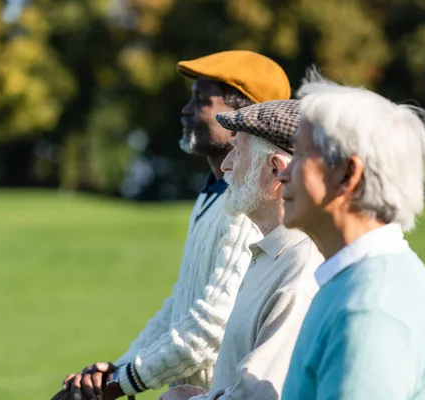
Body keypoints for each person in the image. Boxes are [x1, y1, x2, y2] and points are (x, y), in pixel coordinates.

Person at [51, 50, 292, 400]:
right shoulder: (214, 194)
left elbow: (210, 326)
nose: (186, 110)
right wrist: (118, 370)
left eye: (201, 101)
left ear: (244, 118)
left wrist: (117, 384)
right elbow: (181, 305)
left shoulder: (247, 207)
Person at [279, 71, 425, 399]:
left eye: (300, 154)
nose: (284, 171)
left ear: (348, 174)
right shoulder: (358, 284)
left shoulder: (370, 310)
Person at [159, 99, 324, 400]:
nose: (225, 165)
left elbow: (260, 395)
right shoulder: (274, 255)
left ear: (276, 171)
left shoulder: (300, 271)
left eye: (240, 151)